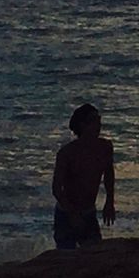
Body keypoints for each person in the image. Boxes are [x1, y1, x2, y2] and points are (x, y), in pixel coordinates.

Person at [52, 102, 116, 249]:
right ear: (83, 125)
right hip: (66, 215)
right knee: (66, 257)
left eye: (99, 121)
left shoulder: (105, 147)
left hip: (88, 212)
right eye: (94, 121)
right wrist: (72, 214)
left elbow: (109, 174)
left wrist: (109, 201)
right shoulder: (67, 153)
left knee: (93, 254)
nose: (98, 126)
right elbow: (56, 189)